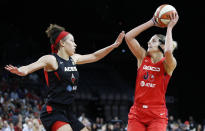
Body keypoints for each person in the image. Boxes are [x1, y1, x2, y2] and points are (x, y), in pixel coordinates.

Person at [5, 24, 125, 131]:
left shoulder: (74, 59)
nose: (75, 44)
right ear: (62, 43)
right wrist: (20, 70)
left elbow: (94, 56)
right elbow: (31, 66)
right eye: (72, 41)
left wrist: (113, 46)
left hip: (67, 111)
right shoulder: (51, 59)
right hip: (52, 111)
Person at [125, 11, 179, 131]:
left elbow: (168, 52)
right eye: (150, 40)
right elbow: (128, 37)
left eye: (154, 41)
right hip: (137, 113)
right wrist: (152, 22)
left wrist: (169, 28)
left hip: (157, 114)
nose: (149, 42)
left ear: (162, 46)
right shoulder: (142, 57)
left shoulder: (168, 64)